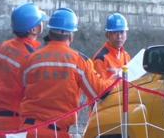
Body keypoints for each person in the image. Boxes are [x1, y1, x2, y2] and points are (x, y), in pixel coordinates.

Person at [19, 8, 107, 138]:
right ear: (71, 35)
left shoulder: (31, 58)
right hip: (55, 132)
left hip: (28, 131)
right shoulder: (79, 60)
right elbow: (99, 92)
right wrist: (118, 79)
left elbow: (21, 90)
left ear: (50, 33)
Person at [0, 3, 47, 133]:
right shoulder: (31, 56)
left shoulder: (3, 47)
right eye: (40, 22)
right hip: (17, 124)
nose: (42, 24)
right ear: (34, 29)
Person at [92, 13, 131, 89]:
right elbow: (100, 89)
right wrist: (114, 79)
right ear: (107, 35)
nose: (119, 36)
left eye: (122, 32)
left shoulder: (126, 56)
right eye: (115, 32)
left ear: (126, 35)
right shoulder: (100, 59)